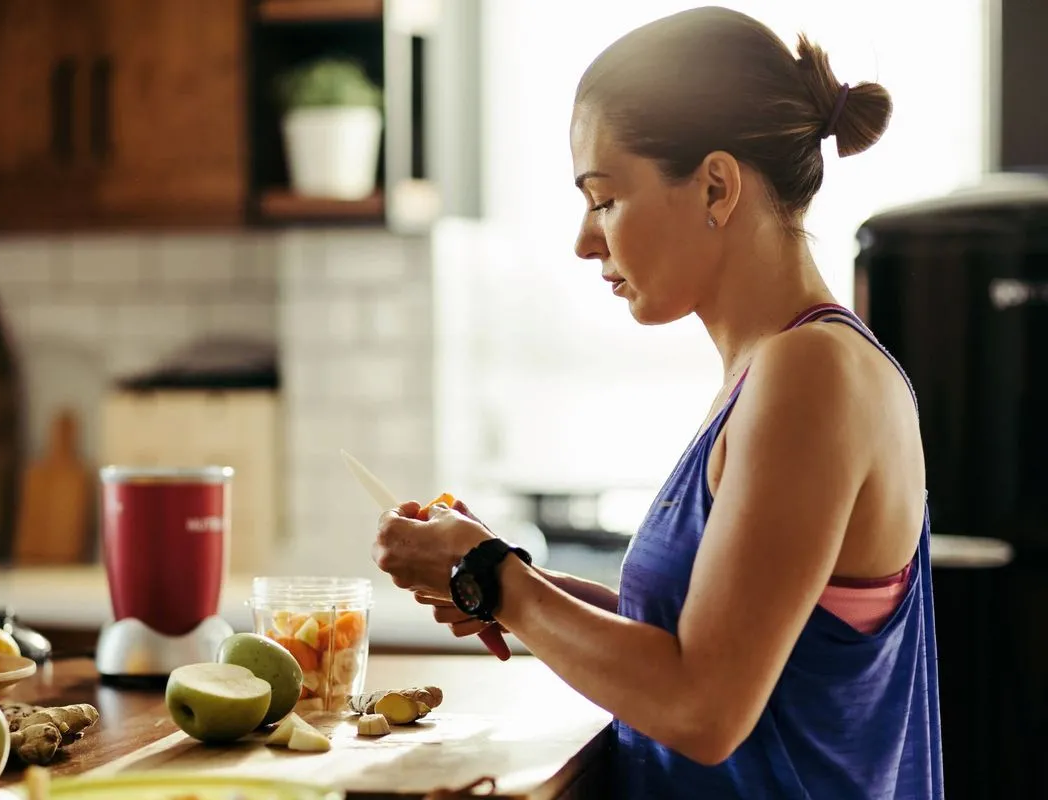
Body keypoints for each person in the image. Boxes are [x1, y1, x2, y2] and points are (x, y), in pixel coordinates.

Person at [370, 6, 942, 799]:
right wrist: (505, 582)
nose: (585, 239)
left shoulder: (811, 373)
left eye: (603, 199)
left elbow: (703, 707)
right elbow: (706, 639)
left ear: (715, 185)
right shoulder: (774, 370)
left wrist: (492, 576)